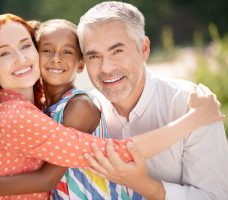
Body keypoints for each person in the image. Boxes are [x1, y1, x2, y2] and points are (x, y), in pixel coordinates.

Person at [0, 13, 222, 200]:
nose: (55, 58)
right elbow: (113, 153)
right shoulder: (25, 112)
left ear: (80, 63)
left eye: (24, 46)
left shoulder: (71, 107)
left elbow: (52, 172)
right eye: (5, 52)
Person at [75, 1, 228, 200]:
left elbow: (215, 196)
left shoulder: (192, 106)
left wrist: (148, 187)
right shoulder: (80, 111)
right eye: (94, 56)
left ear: (144, 49)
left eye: (117, 51)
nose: (106, 68)